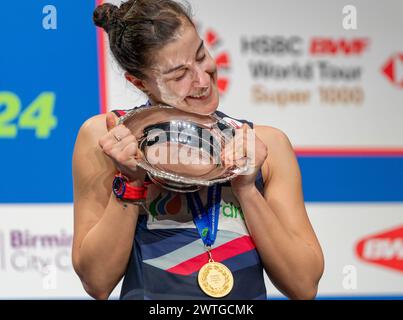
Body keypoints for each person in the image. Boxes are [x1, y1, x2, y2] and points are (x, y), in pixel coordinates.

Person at [72, 0, 324, 300]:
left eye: (201, 56)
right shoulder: (110, 138)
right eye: (179, 75)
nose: (203, 81)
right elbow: (97, 281)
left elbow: (304, 284)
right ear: (139, 82)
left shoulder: (265, 145)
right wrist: (131, 183)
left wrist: (246, 189)